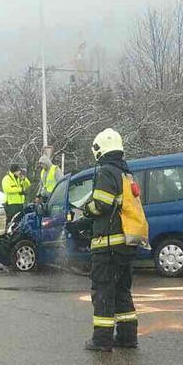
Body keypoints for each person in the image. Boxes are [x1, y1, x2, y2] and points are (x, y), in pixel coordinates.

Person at [70, 128, 138, 352]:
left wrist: (86, 211)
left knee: (103, 292)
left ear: (100, 150)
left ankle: (101, 340)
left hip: (108, 246)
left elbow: (101, 204)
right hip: (126, 244)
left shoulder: (106, 172)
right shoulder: (126, 173)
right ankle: (127, 337)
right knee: (122, 292)